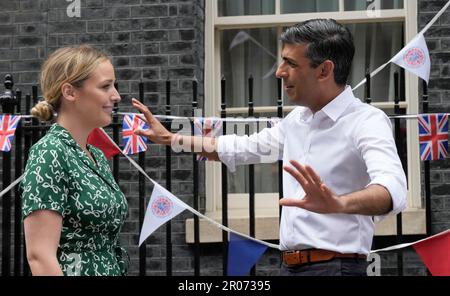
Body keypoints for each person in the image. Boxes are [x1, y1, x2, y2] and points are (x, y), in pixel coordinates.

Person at [131, 19, 407, 276]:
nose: (279, 72)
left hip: (338, 268)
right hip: (290, 266)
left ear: (324, 70)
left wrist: (339, 203)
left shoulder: (367, 120)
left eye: (290, 63)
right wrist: (170, 139)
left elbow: (393, 188)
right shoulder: (297, 121)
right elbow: (242, 147)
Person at [21, 45, 128, 276]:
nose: (116, 96)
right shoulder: (49, 153)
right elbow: (40, 256)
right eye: (105, 86)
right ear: (70, 92)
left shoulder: (95, 155)